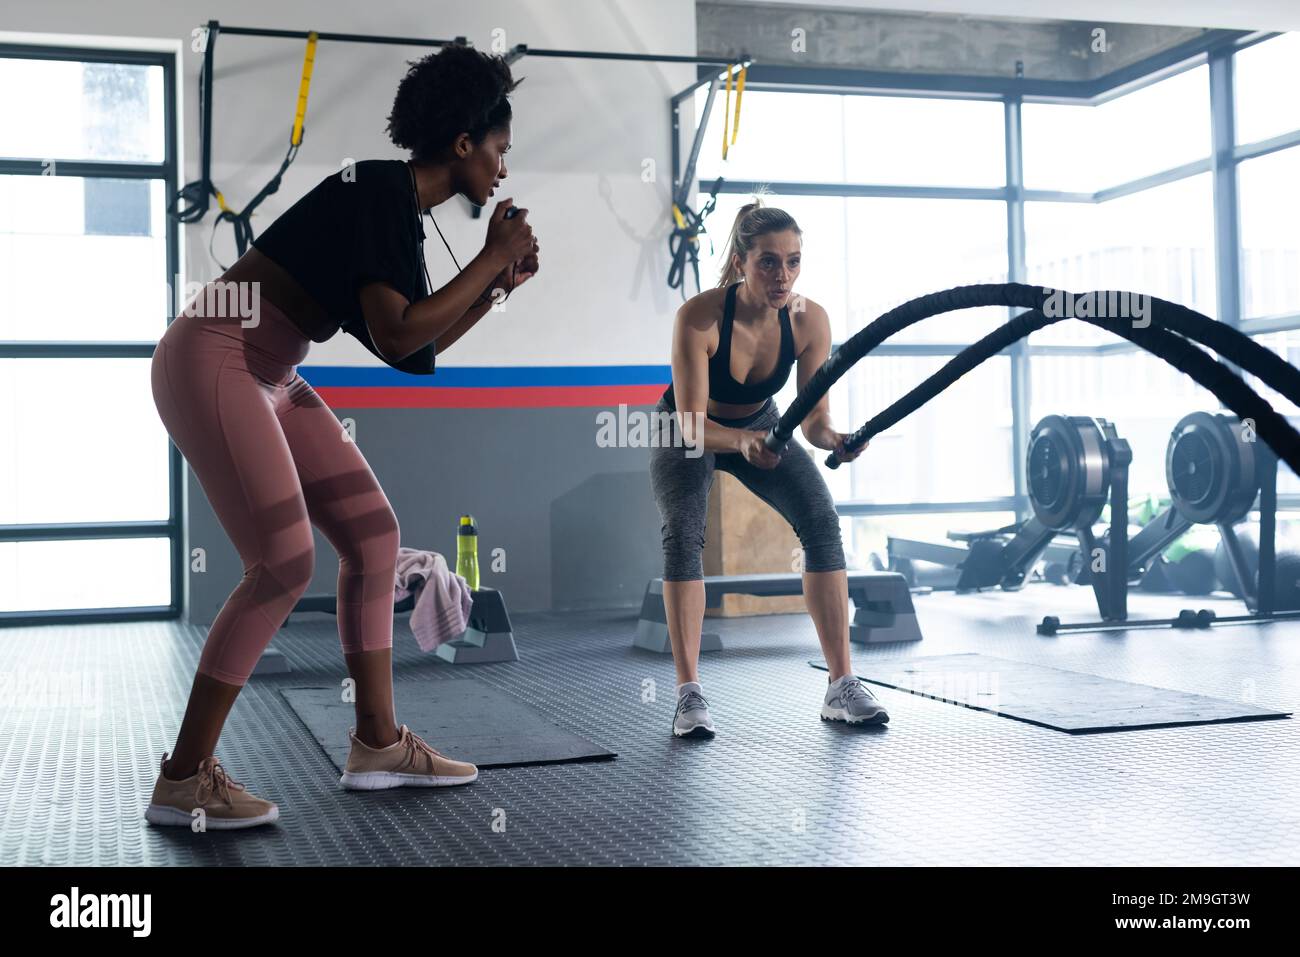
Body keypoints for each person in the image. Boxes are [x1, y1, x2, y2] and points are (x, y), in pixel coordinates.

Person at [146, 45, 539, 828]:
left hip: (270, 371)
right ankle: (183, 778)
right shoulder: (378, 193)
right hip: (213, 356)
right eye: (498, 149)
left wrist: (493, 285)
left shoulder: (396, 207)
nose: (501, 169)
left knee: (373, 536)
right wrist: (492, 256)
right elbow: (399, 335)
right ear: (463, 143)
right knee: (284, 563)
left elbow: (414, 350)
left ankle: (378, 742)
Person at [650, 198, 890, 738]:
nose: (783, 276)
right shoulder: (701, 316)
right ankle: (689, 695)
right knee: (683, 534)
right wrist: (742, 442)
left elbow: (814, 422)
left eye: (794, 261)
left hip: (765, 425)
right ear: (740, 261)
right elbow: (690, 426)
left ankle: (841, 684)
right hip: (689, 428)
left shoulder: (810, 320)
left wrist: (839, 439)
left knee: (821, 521)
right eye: (768, 262)